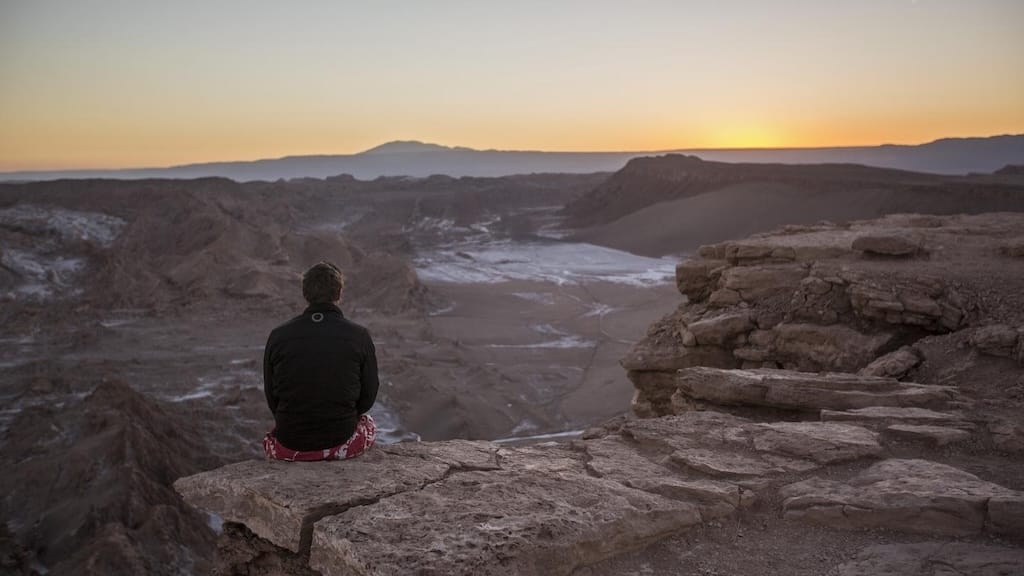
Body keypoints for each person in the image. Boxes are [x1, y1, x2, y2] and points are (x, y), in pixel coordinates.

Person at [262, 261, 379, 461]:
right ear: (339, 293)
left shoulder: (278, 336)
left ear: (305, 294)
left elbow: (272, 396)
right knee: (368, 423)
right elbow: (368, 397)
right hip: (340, 438)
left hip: (290, 441)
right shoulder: (359, 336)